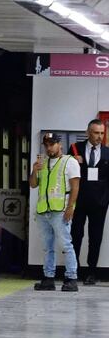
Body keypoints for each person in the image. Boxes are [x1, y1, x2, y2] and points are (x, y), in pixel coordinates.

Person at [30, 132, 80, 291]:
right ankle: (48, 278)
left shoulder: (69, 162)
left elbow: (75, 187)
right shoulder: (42, 163)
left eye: (52, 144)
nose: (49, 148)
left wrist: (70, 207)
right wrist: (34, 170)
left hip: (60, 210)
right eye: (46, 145)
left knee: (66, 244)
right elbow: (33, 185)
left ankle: (71, 278)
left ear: (60, 145)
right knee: (47, 246)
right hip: (43, 211)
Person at [70, 119, 109, 285]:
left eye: (102, 133)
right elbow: (67, 173)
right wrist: (73, 161)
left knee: (96, 237)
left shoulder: (108, 153)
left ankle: (91, 271)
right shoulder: (75, 149)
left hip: (99, 202)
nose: (99, 136)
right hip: (79, 200)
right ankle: (74, 269)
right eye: (96, 133)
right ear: (88, 133)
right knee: (76, 234)